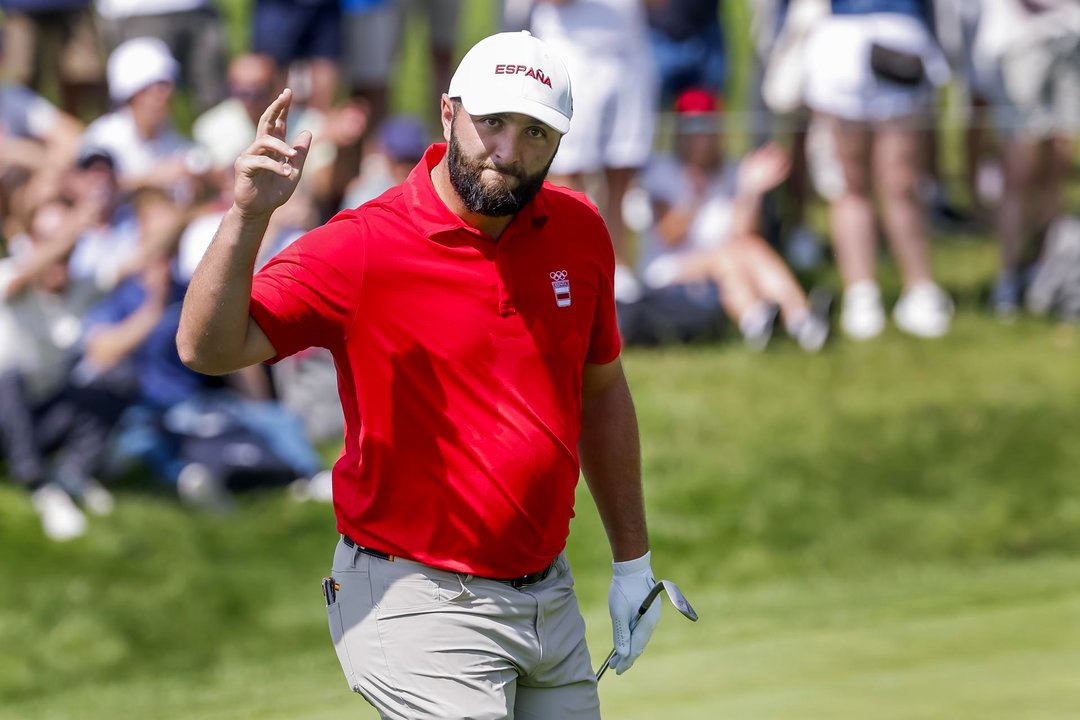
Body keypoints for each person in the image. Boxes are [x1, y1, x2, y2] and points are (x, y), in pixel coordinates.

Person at [178, 30, 662, 719]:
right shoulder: (364, 245)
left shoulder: (579, 231)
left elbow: (603, 389)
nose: (508, 151)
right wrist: (248, 216)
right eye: (490, 122)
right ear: (448, 113)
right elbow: (207, 348)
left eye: (535, 133)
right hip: (415, 599)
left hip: (547, 598)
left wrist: (632, 562)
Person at [802, 0, 955, 340]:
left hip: (900, 34)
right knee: (850, 182)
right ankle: (861, 292)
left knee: (902, 181)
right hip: (842, 42)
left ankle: (919, 288)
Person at [637, 88, 830, 352]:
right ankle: (760, 319)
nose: (700, 139)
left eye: (706, 129)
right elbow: (669, 234)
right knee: (727, 257)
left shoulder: (731, 171)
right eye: (693, 130)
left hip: (724, 262)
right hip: (668, 271)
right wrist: (694, 196)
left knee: (748, 248)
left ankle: (799, 320)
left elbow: (745, 233)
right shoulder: (662, 172)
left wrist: (750, 191)